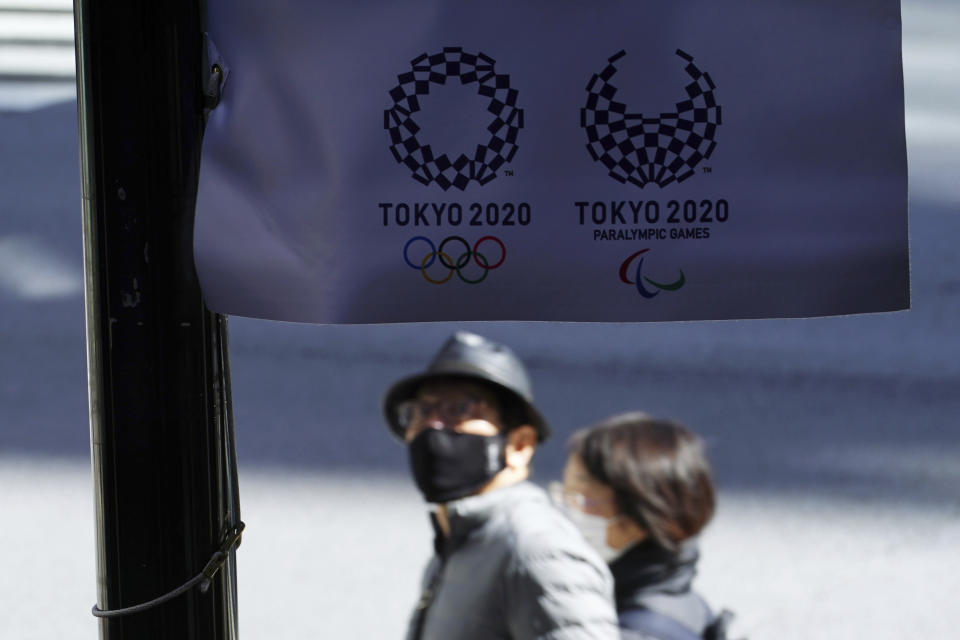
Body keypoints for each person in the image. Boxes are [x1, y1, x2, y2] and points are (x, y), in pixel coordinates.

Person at [383, 331, 620, 640]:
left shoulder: (537, 548)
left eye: (458, 410)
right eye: (420, 412)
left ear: (520, 445)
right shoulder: (462, 540)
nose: (432, 426)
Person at [553, 412, 734, 640]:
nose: (566, 510)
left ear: (644, 515)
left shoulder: (633, 631)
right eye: (565, 494)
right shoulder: (679, 599)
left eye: (583, 499)